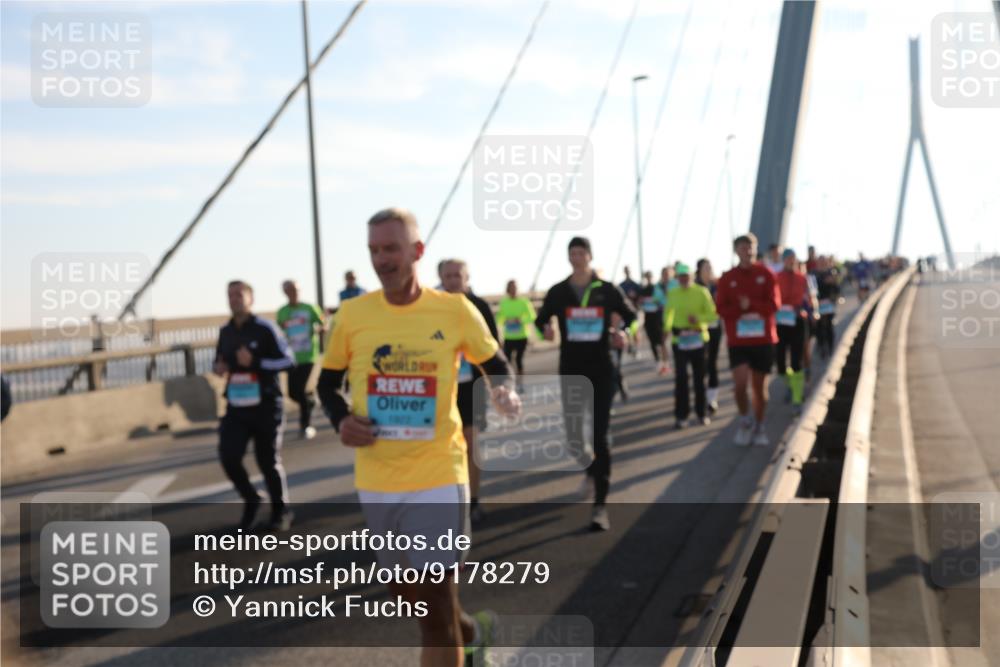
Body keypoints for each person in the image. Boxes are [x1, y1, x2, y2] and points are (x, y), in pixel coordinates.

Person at [316, 207, 520, 667]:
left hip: (439, 474)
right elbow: (326, 385)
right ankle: (475, 633)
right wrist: (341, 419)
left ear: (417, 251)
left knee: (434, 616)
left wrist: (502, 390)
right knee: (412, 597)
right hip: (378, 478)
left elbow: (495, 363)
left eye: (391, 248)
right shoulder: (352, 314)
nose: (381, 260)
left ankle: (462, 641)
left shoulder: (454, 310)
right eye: (373, 250)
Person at [535, 237, 636, 531]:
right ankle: (591, 470)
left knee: (600, 437)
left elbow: (631, 316)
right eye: (572, 253)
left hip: (602, 369)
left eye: (581, 252)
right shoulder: (558, 291)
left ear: (590, 256)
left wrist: (623, 332)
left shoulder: (606, 289)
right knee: (573, 438)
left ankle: (600, 506)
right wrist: (546, 330)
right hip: (572, 370)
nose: (577, 257)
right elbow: (540, 321)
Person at [214, 280, 295, 531]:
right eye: (230, 295)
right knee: (228, 455)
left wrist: (256, 362)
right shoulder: (226, 331)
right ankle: (252, 498)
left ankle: (281, 511)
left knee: (267, 460)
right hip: (237, 405)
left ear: (251, 298)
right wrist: (220, 367)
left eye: (239, 294)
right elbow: (220, 361)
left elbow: (288, 361)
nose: (234, 299)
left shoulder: (265, 328)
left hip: (266, 406)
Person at [438, 258, 501, 526]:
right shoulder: (432, 307)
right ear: (441, 279)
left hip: (471, 386)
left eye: (458, 276)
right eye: (448, 276)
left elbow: (494, 349)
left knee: (471, 443)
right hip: (440, 389)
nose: (453, 281)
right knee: (443, 447)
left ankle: (473, 500)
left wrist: (496, 386)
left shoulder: (480, 307)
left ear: (467, 277)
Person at [716, 233, 781, 446]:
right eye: (743, 247)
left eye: (751, 246)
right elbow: (721, 308)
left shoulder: (767, 274)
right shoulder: (727, 278)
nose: (748, 251)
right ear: (736, 251)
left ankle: (760, 425)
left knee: (759, 389)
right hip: (739, 342)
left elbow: (774, 304)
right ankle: (745, 420)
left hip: (763, 340)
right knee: (740, 385)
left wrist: (751, 306)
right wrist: (740, 310)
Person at [664, 263, 718, 429]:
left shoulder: (701, 291)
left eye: (686, 276)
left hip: (699, 339)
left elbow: (712, 315)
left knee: (699, 378)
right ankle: (681, 416)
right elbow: (668, 313)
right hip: (679, 340)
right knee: (681, 378)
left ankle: (701, 413)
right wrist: (666, 329)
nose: (684, 279)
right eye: (681, 276)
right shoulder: (673, 292)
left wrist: (698, 319)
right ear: (677, 278)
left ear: (692, 276)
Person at [276, 280, 325, 440]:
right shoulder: (282, 312)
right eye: (290, 290)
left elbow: (324, 324)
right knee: (292, 393)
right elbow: (280, 333)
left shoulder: (310, 308)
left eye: (295, 290)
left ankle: (305, 425)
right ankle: (310, 402)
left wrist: (319, 328)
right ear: (285, 292)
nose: (293, 293)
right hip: (291, 358)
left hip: (308, 355)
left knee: (300, 389)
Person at [774, 250, 815, 414]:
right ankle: (791, 384)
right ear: (783, 261)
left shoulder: (803, 278)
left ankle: (797, 399)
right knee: (780, 364)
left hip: (798, 321)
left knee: (796, 361)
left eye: (793, 259)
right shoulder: (776, 277)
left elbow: (810, 299)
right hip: (780, 323)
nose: (791, 262)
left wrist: (809, 311)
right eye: (788, 259)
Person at [695, 258, 723, 414]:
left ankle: (712, 398)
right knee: (701, 364)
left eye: (710, 267)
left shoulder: (716, 285)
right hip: (699, 330)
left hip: (715, 328)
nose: (709, 270)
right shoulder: (694, 287)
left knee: (712, 361)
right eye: (706, 268)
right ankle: (701, 396)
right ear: (699, 270)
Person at [497, 279, 536, 387]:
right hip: (509, 337)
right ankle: (510, 383)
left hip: (522, 336)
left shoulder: (524, 302)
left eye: (515, 288)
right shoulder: (504, 302)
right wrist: (505, 320)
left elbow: (532, 316)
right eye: (511, 288)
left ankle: (520, 383)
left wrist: (520, 320)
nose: (513, 290)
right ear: (508, 290)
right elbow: (499, 318)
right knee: (507, 361)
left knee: (519, 360)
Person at [813, 256, 841, 359]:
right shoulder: (813, 274)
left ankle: (830, 347)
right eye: (820, 262)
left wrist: (834, 297)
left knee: (829, 326)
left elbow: (837, 289)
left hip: (829, 304)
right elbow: (812, 288)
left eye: (823, 262)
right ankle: (821, 346)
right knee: (819, 327)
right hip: (817, 304)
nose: (822, 264)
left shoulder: (831, 273)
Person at [637, 270, 666, 368]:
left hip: (657, 317)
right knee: (652, 340)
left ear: (652, 277)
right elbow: (639, 303)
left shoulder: (657, 288)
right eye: (647, 276)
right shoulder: (643, 289)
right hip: (648, 318)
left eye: (650, 276)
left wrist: (658, 303)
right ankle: (657, 359)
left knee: (660, 340)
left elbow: (663, 302)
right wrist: (640, 302)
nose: (648, 278)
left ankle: (664, 360)